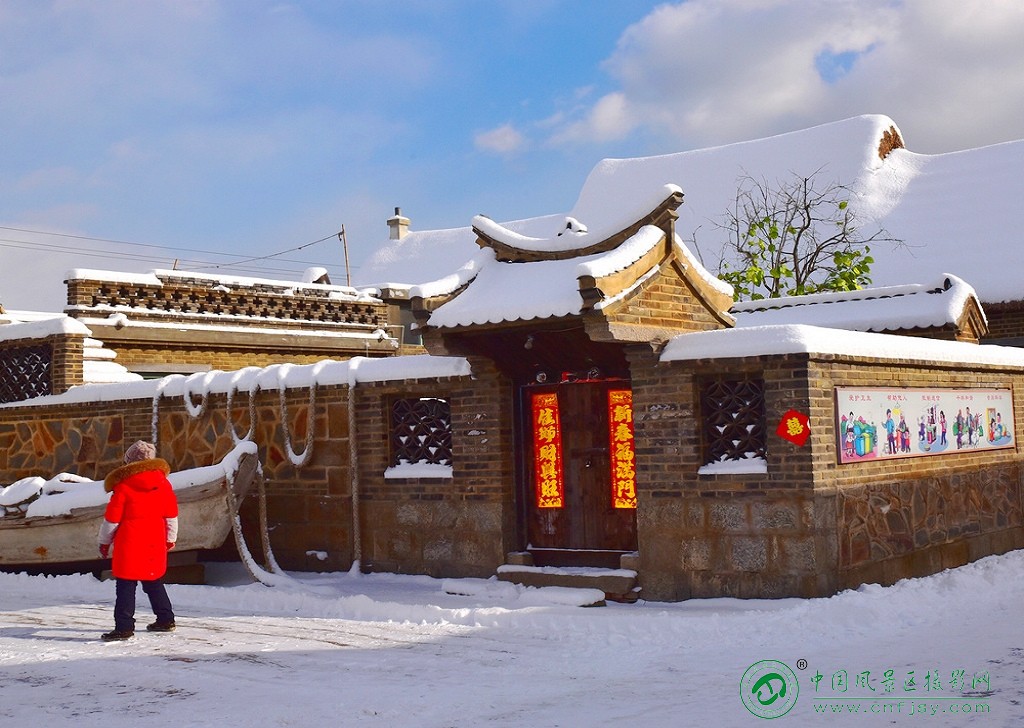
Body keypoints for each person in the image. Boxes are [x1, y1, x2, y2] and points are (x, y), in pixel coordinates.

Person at [97, 440, 178, 641]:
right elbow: (171, 515)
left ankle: (124, 627)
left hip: (129, 543)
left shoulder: (123, 486)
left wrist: (104, 542)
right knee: (153, 581)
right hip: (154, 541)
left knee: (126, 585)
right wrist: (170, 539)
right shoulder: (163, 483)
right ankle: (166, 619)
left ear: (129, 462)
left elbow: (112, 520)